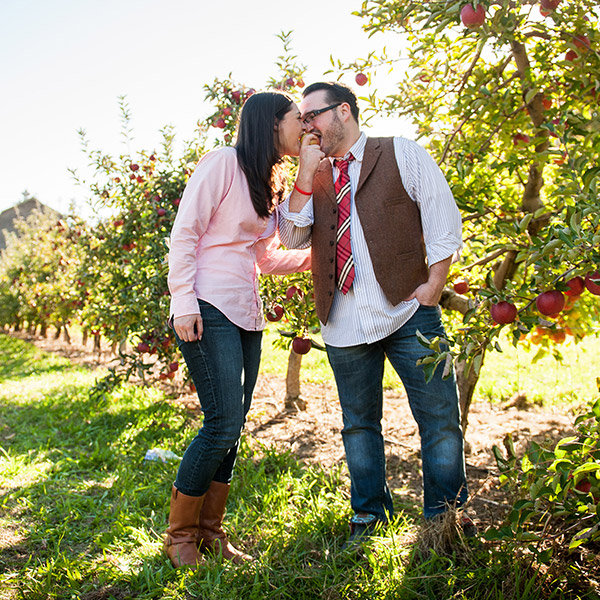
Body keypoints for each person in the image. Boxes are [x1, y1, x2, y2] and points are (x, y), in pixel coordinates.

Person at [278, 82, 470, 546]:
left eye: (313, 116)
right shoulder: (313, 173)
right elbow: (291, 238)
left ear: (344, 111)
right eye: (302, 120)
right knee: (359, 426)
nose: (307, 126)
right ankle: (368, 520)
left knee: (440, 420)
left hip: (408, 313)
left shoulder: (400, 153)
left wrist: (435, 285)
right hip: (343, 321)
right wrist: (305, 176)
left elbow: (443, 216)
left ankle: (445, 524)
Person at [165, 91, 311, 568]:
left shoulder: (268, 181)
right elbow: (185, 232)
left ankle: (209, 532)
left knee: (234, 425)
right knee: (221, 421)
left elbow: (265, 257)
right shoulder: (222, 162)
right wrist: (183, 301)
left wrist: (316, 259)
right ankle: (180, 537)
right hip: (207, 303)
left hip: (245, 310)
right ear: (271, 123)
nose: (305, 126)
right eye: (298, 119)